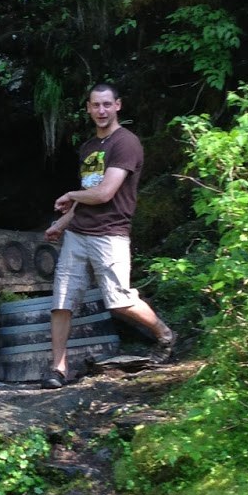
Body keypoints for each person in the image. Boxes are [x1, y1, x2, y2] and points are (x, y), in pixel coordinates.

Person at [43, 81, 176, 388]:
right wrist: (61, 224)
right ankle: (57, 369)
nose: (101, 110)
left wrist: (71, 194)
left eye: (107, 104)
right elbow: (87, 196)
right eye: (95, 105)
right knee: (62, 301)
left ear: (118, 105)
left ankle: (165, 334)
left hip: (110, 234)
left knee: (119, 301)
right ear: (88, 109)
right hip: (78, 234)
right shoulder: (89, 147)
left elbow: (104, 194)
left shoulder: (126, 143)